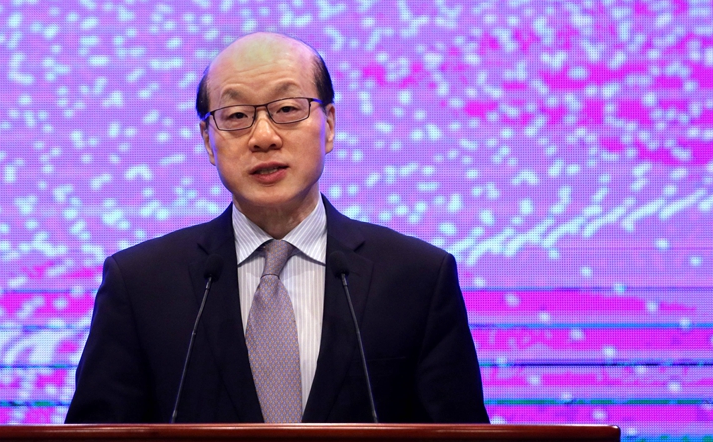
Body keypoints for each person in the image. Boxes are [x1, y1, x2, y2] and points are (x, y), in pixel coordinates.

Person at [65, 33, 489, 423]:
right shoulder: (141, 284)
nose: (264, 137)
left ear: (329, 125)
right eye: (236, 115)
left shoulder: (417, 278)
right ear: (208, 140)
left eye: (287, 109)